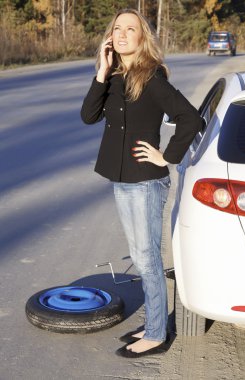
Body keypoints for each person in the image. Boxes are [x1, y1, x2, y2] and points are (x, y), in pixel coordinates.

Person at [81, 8, 203, 358]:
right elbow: (88, 116)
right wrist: (101, 74)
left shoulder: (152, 78)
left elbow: (190, 118)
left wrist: (167, 156)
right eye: (116, 28)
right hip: (123, 179)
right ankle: (155, 322)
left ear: (141, 37)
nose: (121, 34)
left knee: (147, 259)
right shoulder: (114, 76)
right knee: (141, 255)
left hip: (146, 182)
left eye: (129, 28)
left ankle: (155, 334)